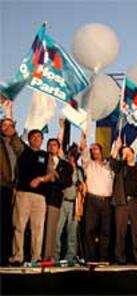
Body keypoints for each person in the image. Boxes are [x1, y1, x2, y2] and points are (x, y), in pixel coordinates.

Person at [10, 129, 55, 265]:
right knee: (19, 226)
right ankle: (17, 257)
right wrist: (9, 111)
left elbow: (51, 174)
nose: (36, 138)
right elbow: (14, 139)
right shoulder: (23, 150)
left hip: (40, 197)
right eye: (33, 136)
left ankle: (36, 257)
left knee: (37, 228)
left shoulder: (46, 156)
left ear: (42, 140)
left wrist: (40, 179)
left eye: (39, 137)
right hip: (23, 193)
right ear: (29, 140)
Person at [110, 137, 137, 264]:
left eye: (128, 152)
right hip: (121, 202)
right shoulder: (120, 168)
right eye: (124, 153)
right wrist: (117, 148)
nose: (126, 154)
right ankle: (120, 258)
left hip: (136, 202)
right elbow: (113, 163)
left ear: (133, 154)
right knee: (120, 232)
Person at [80, 134, 114, 262]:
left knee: (105, 231)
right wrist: (83, 137)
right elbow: (83, 150)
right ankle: (91, 257)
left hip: (106, 201)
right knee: (89, 229)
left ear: (101, 150)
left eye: (96, 148)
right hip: (92, 200)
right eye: (92, 149)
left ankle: (103, 258)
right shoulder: (88, 164)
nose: (93, 151)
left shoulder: (110, 165)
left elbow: (115, 154)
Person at [0, 100, 24, 266]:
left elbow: (21, 150)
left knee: (9, 223)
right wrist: (6, 110)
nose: (8, 128)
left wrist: (10, 113)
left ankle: (4, 256)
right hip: (1, 185)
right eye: (4, 125)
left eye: (11, 125)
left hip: (12, 187)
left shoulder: (15, 143)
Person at [43, 138, 73, 260]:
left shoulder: (65, 165)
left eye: (54, 145)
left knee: (51, 229)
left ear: (59, 148)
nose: (51, 147)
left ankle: (48, 257)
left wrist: (56, 177)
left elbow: (67, 182)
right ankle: (34, 255)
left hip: (54, 199)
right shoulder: (42, 159)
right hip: (39, 196)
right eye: (49, 144)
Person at [55, 143, 85, 260]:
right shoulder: (63, 165)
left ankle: (70, 256)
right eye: (71, 153)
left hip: (74, 203)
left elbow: (83, 185)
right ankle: (55, 255)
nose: (73, 156)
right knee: (57, 230)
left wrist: (81, 187)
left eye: (75, 154)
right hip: (62, 201)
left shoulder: (79, 170)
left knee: (72, 231)